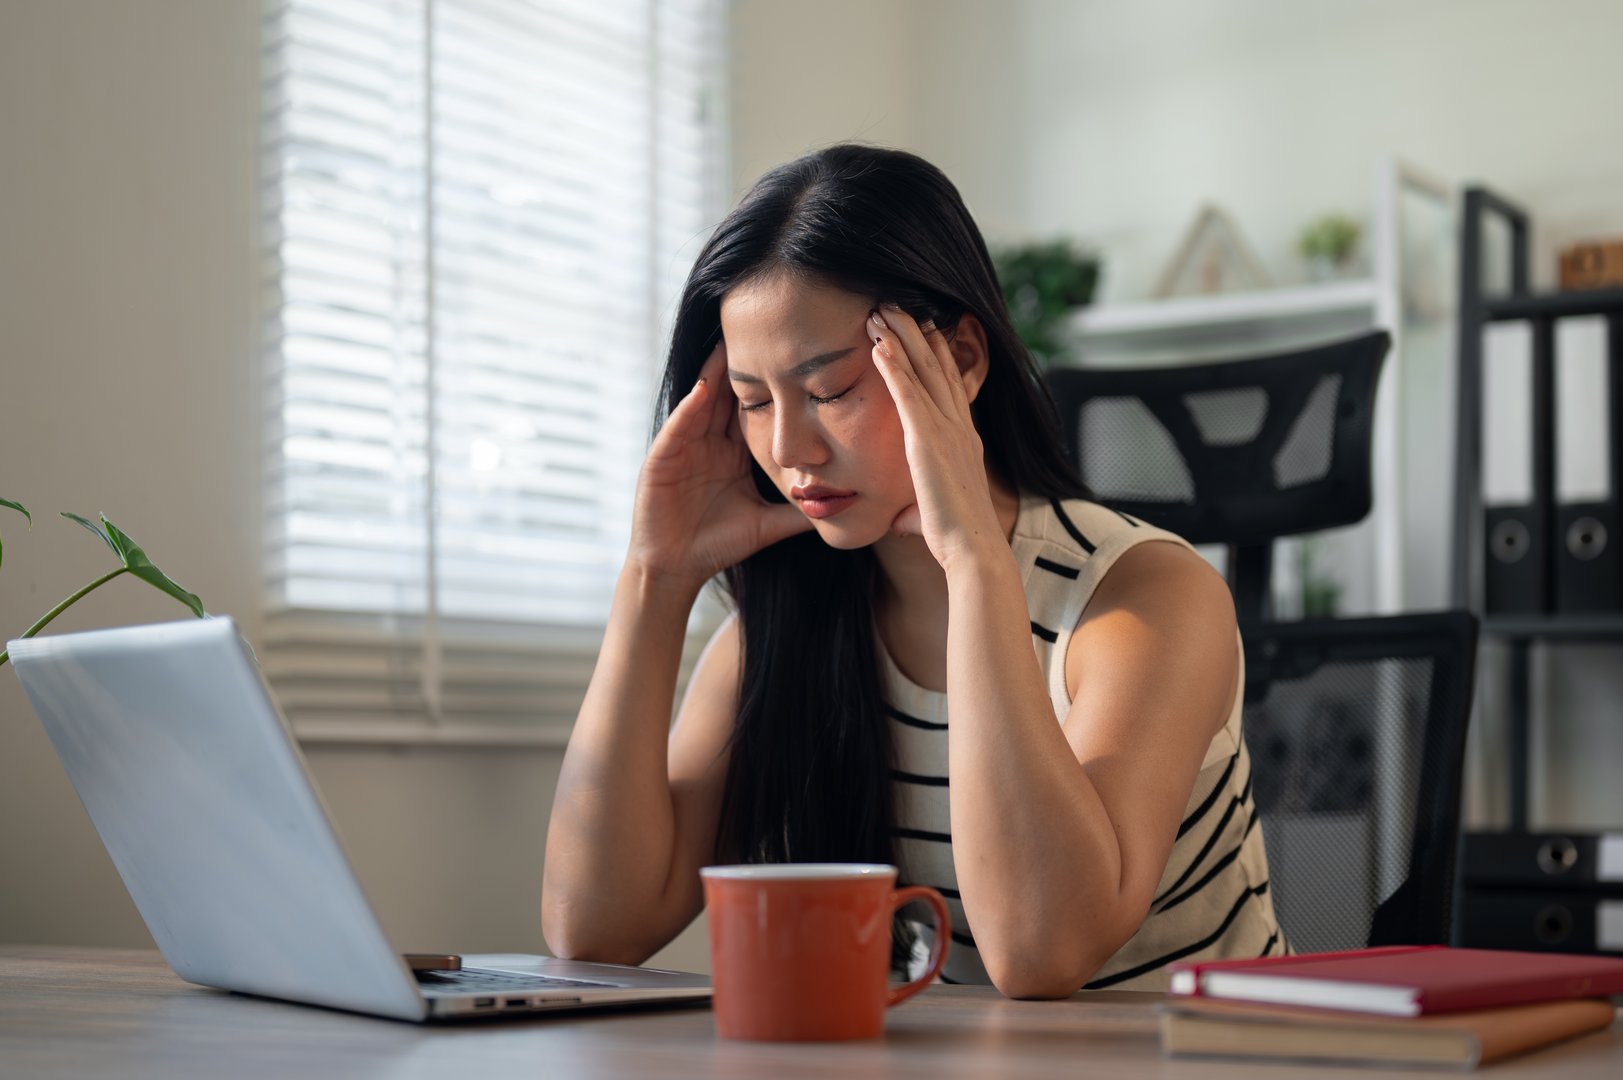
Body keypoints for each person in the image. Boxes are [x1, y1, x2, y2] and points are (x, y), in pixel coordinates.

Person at [541, 144, 1284, 997]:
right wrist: (653, 579)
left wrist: (972, 562)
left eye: (828, 391)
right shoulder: (783, 631)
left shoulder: (1145, 599)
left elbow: (1040, 950)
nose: (788, 449)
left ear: (961, 360)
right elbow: (593, 929)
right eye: (752, 402)